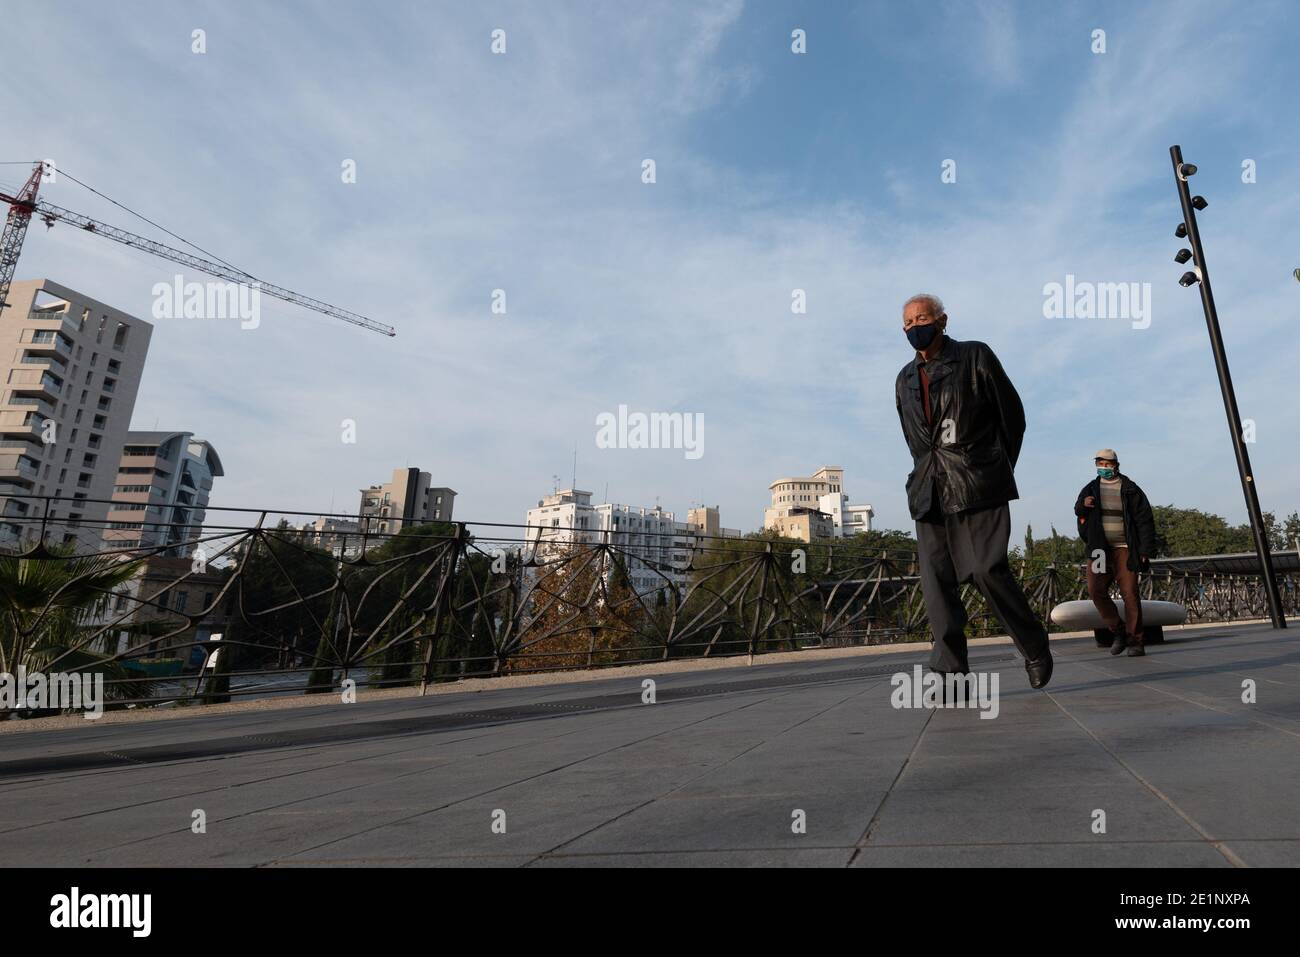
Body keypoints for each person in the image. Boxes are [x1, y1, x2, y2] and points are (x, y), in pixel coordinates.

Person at [894, 293, 1053, 689]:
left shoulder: (975, 357)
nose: (916, 327)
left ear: (943, 320)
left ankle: (1033, 644)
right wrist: (922, 474)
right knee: (936, 583)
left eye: (923, 318)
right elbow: (915, 439)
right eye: (909, 323)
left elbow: (1012, 417)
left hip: (977, 482)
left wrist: (993, 468)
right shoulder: (904, 378)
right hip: (928, 490)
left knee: (985, 569)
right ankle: (950, 672)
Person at [1074, 449, 1156, 656]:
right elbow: (1078, 510)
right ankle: (1117, 630)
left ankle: (1135, 640)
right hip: (1100, 550)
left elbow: (1145, 520)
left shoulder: (1130, 489)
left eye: (1107, 464)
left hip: (1125, 550)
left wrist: (1145, 549)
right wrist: (1084, 505)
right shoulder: (1090, 488)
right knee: (1095, 589)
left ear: (1116, 465)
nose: (1103, 468)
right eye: (1099, 464)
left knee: (1130, 593)